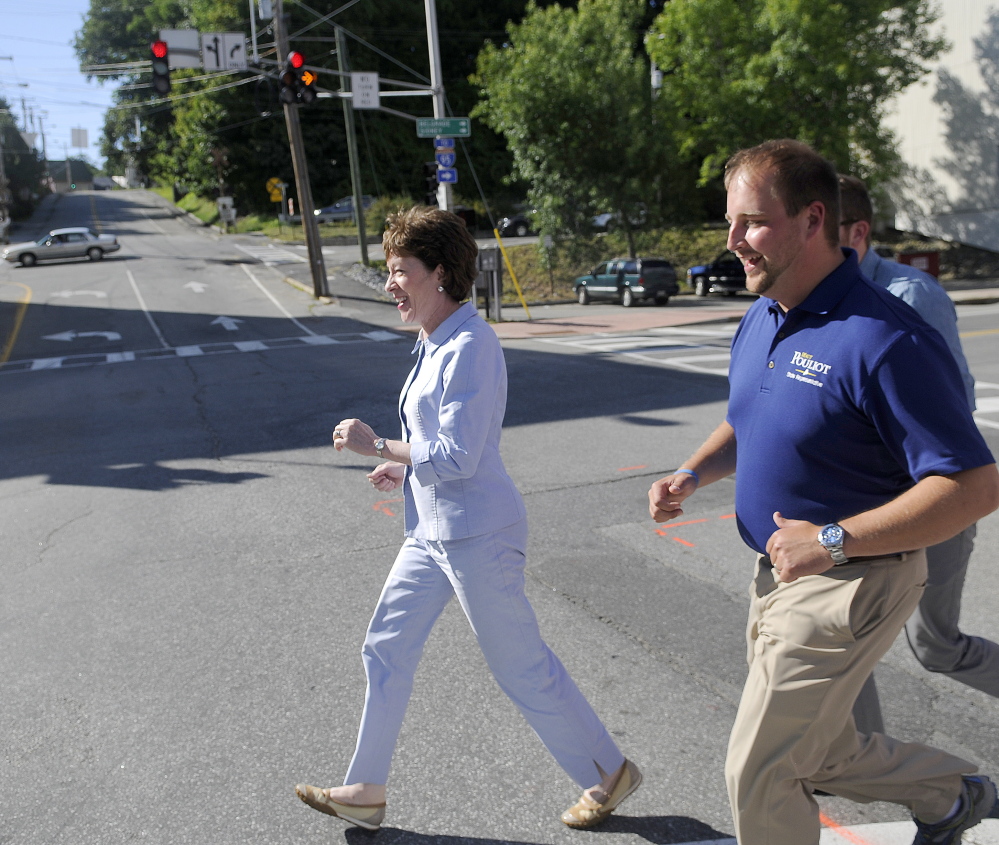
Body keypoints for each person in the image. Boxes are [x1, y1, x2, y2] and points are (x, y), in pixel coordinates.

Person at [648, 140, 999, 845]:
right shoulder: (764, 313)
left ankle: (951, 793)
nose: (731, 241)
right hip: (778, 574)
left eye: (751, 222)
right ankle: (952, 795)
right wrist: (692, 472)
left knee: (759, 768)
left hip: (848, 577)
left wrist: (831, 539)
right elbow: (752, 418)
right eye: (729, 222)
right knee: (820, 752)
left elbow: (973, 485)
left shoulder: (885, 337)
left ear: (813, 221)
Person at [295, 206, 640, 832]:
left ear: (442, 273)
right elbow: (438, 450)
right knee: (386, 647)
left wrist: (379, 447)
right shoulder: (432, 342)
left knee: (520, 667)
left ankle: (609, 772)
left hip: (480, 534)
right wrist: (403, 470)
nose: (391, 283)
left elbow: (458, 456)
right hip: (429, 534)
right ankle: (367, 789)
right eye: (391, 271)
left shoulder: (473, 345)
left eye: (402, 271)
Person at [838, 175, 999, 737]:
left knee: (937, 646)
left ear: (856, 233)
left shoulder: (909, 296)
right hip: (867, 507)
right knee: (841, 636)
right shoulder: (823, 296)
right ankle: (858, 759)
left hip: (929, 503)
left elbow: (950, 405)